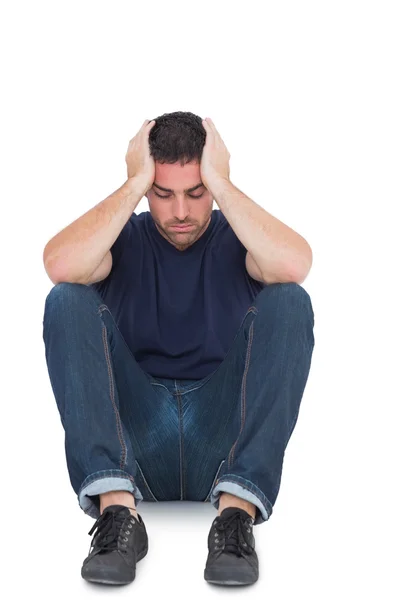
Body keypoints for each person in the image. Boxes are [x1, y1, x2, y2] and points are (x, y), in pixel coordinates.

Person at [42, 111, 315, 587]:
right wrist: (132, 185)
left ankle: (235, 515)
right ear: (148, 190)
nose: (181, 212)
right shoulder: (122, 239)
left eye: (196, 192)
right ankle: (117, 514)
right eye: (163, 194)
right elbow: (60, 265)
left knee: (290, 299)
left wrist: (222, 184)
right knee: (66, 298)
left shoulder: (242, 242)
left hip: (222, 444)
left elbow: (295, 264)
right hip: (136, 445)